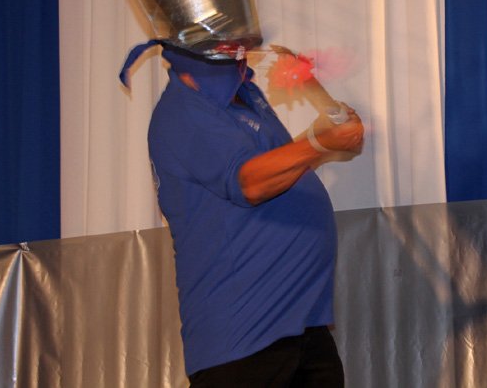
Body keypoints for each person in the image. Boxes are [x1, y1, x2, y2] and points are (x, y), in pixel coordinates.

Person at [121, 42, 363, 387]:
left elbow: (277, 165)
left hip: (300, 321)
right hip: (245, 332)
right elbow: (249, 182)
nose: (241, 55)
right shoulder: (184, 112)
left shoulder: (246, 96)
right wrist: (320, 144)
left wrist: (321, 136)